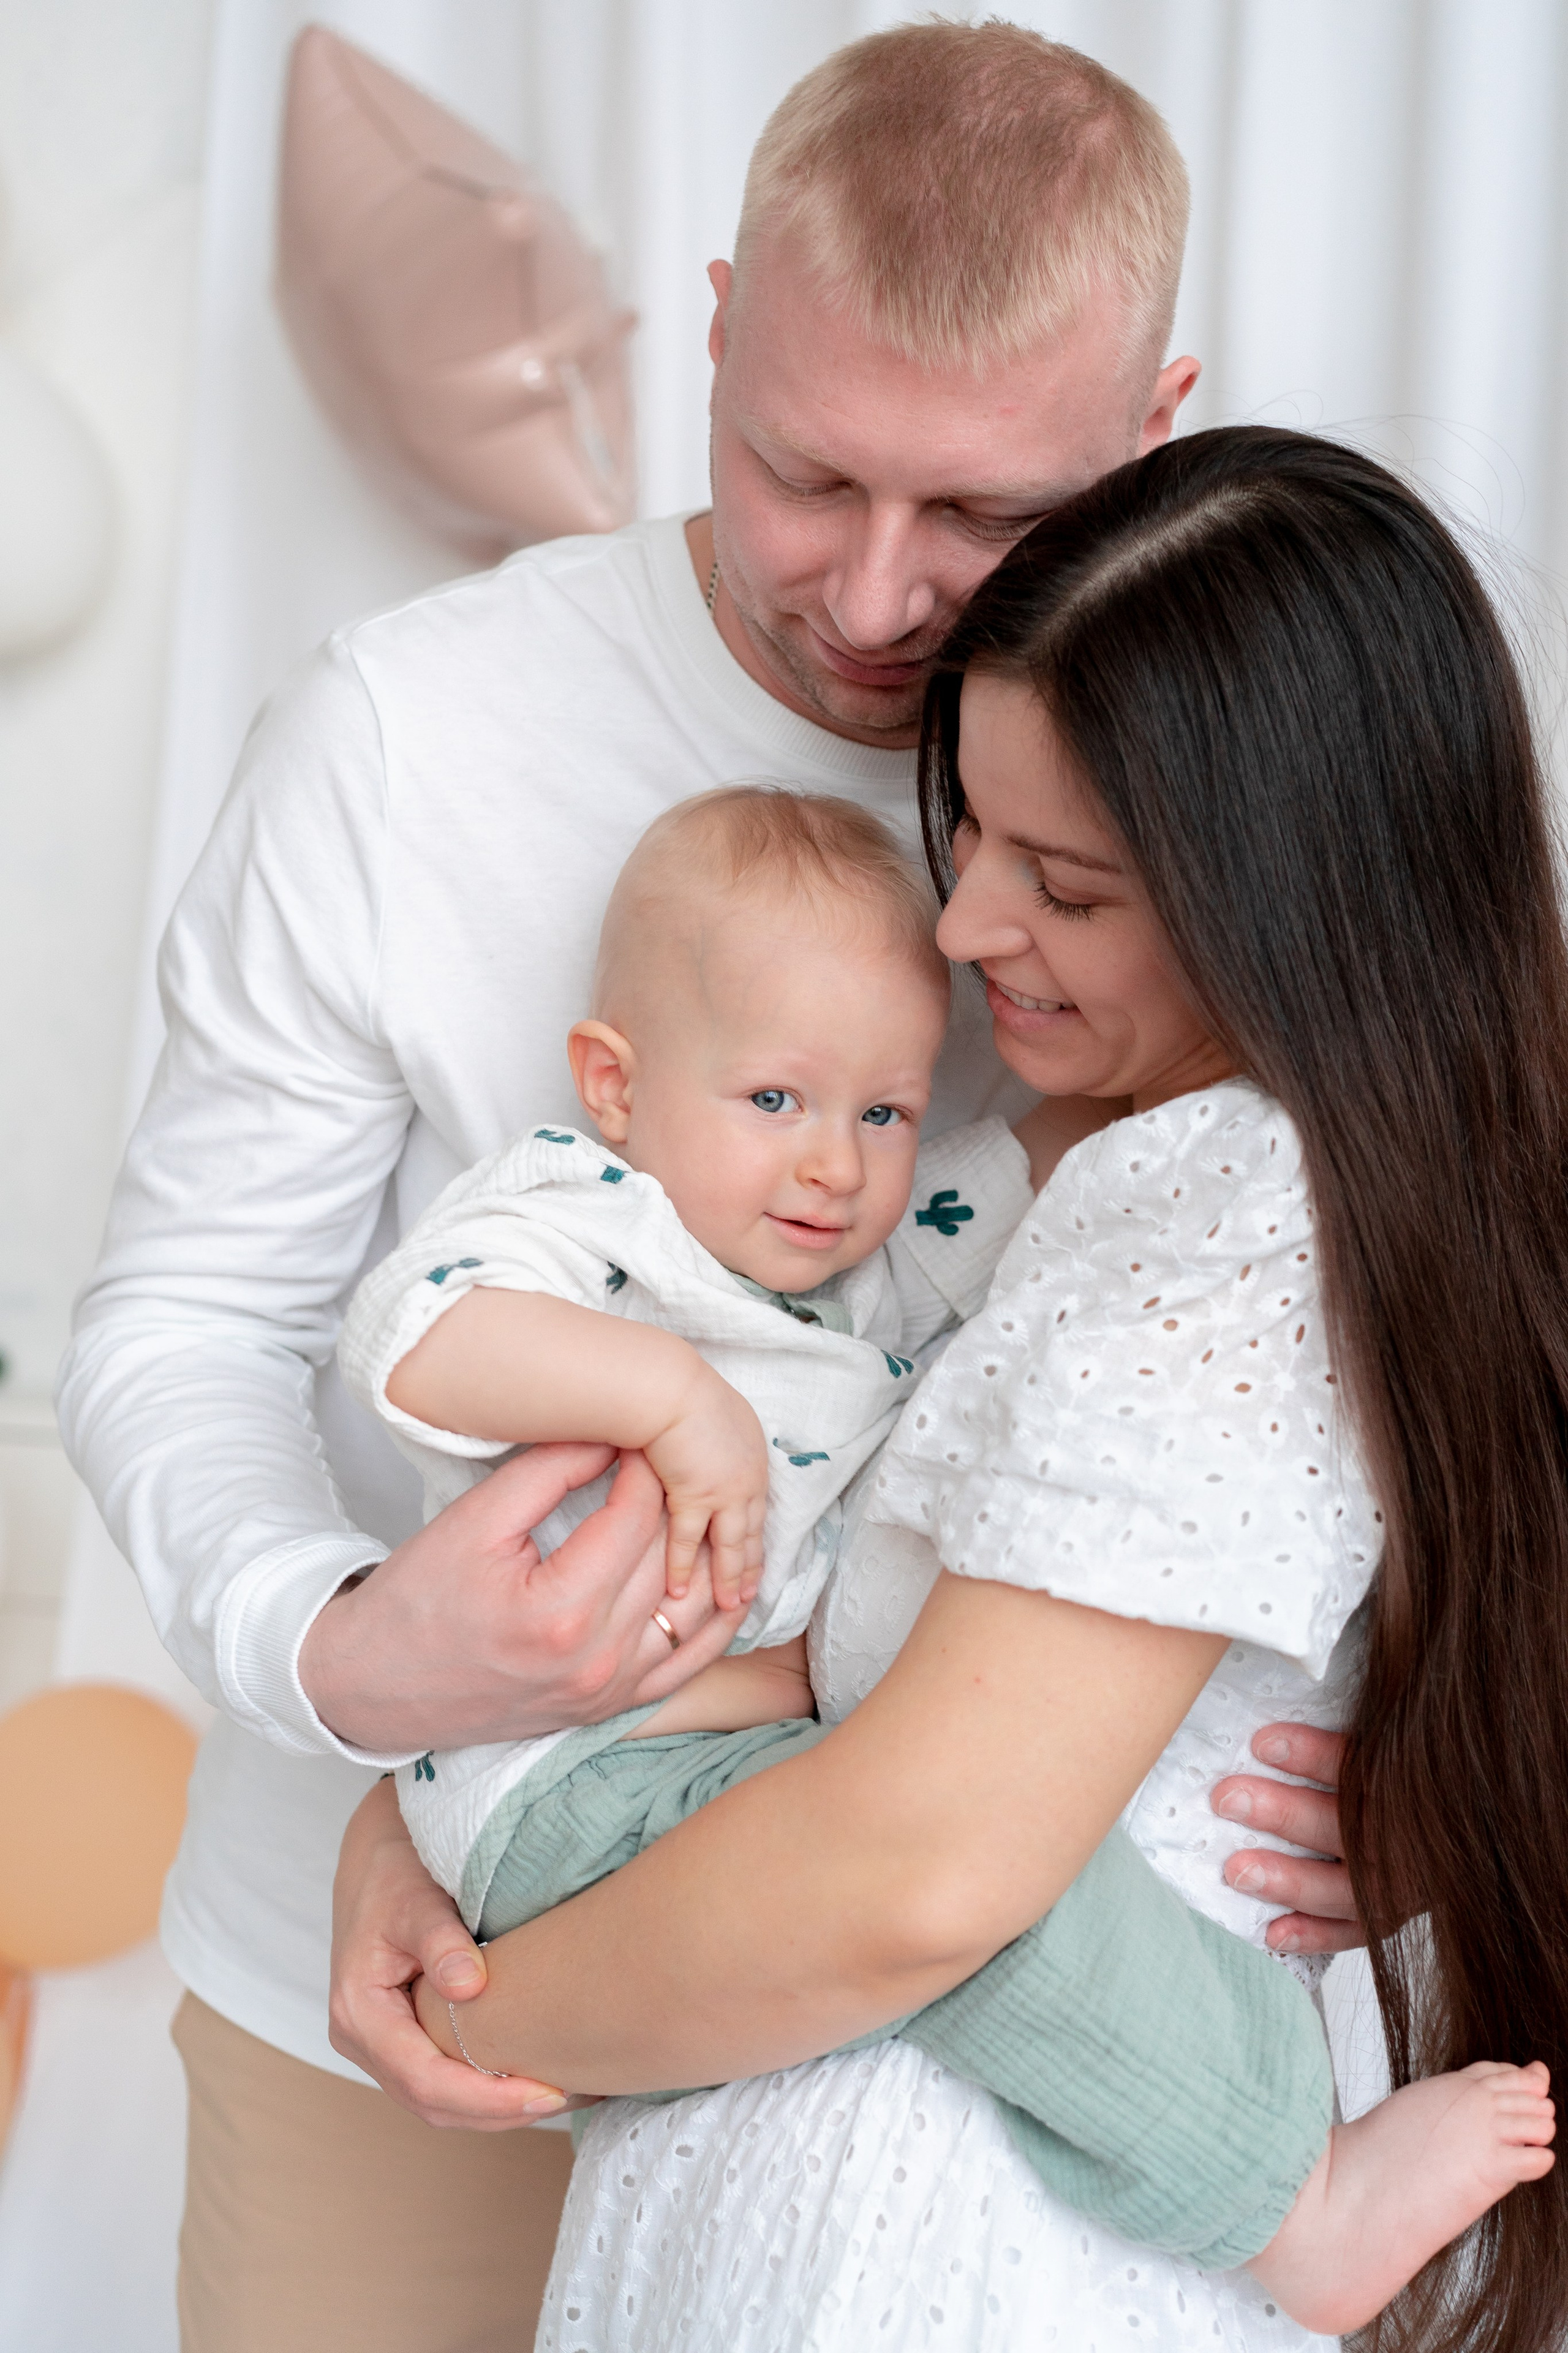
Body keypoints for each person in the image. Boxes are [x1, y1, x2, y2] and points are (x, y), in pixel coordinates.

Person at [58, 25, 1356, 2349]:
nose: (870, 595)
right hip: (402, 1991)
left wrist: (1417, 1768)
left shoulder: (1233, 794)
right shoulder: (407, 735)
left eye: (980, 518)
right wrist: (345, 1659)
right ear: (727, 312)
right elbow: (185, 1321)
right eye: (801, 471)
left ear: (1158, 424)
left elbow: (1342, 1315)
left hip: (930, 2044)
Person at [369, 424, 1568, 2353]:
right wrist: (422, 1821)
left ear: (1300, 901)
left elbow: (913, 1877)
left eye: (1066, 884)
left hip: (943, 2235)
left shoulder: (1219, 1202)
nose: (963, 926)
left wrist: (473, 2002)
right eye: (972, 830)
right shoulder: (1083, 1177)